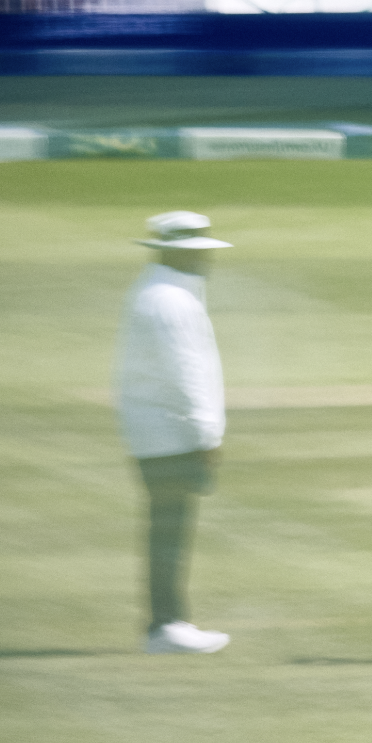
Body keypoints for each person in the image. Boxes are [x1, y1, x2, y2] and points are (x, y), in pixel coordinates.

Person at [116, 213, 234, 656]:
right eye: (198, 253)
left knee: (168, 530)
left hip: (158, 432)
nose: (207, 261)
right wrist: (208, 435)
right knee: (169, 530)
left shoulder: (161, 292)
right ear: (175, 253)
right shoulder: (169, 301)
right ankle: (166, 625)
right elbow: (186, 372)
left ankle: (167, 623)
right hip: (170, 434)